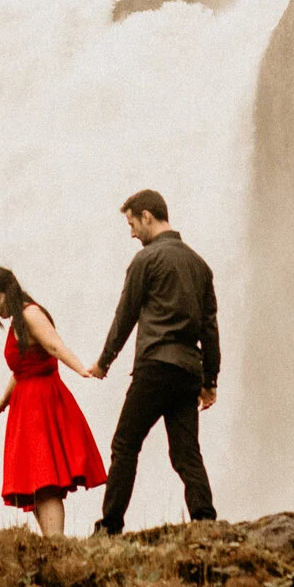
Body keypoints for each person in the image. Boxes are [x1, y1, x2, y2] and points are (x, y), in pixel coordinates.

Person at [90, 188, 218, 534]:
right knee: (186, 452)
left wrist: (104, 361)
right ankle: (205, 520)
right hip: (188, 372)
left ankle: (110, 526)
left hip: (155, 367)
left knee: (125, 443)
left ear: (147, 216)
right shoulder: (199, 265)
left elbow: (125, 315)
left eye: (132, 223)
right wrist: (210, 381)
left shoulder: (146, 261)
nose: (131, 232)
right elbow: (210, 328)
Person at [0, 266, 107, 537]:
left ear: (8, 289)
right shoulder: (19, 319)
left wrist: (81, 368)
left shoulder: (30, 314)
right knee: (35, 484)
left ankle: (57, 545)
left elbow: (54, 346)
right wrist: (4, 399)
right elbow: (23, 368)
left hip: (41, 405)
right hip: (27, 405)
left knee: (45, 479)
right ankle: (53, 544)